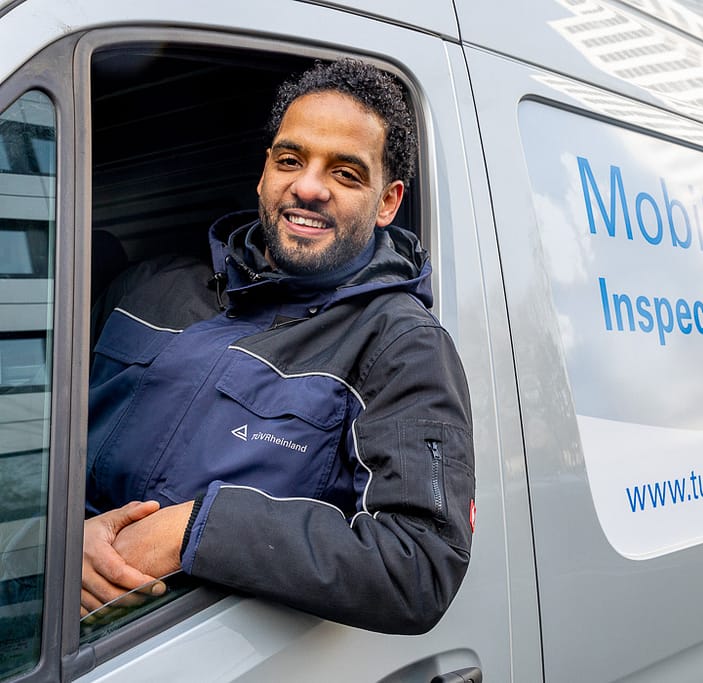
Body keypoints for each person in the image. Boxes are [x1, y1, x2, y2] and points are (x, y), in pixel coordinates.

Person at [81, 58, 475, 635]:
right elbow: (43, 452)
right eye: (291, 160)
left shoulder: (400, 344)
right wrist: (68, 539)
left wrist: (191, 530)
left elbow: (418, 565)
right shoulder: (146, 288)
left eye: (345, 173)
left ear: (387, 202)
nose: (308, 187)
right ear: (265, 170)